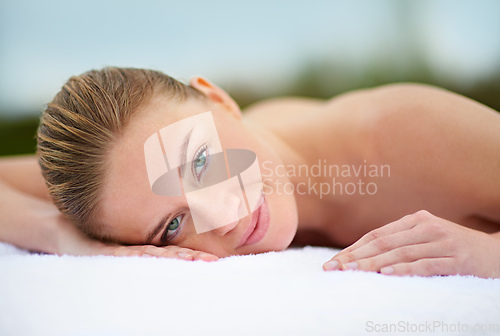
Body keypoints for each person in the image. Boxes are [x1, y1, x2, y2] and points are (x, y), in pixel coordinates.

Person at [0, 67, 499, 278]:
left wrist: (486, 251)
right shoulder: (126, 178)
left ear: (220, 100)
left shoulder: (404, 133)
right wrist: (65, 239)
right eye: (171, 226)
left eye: (199, 161)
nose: (220, 215)